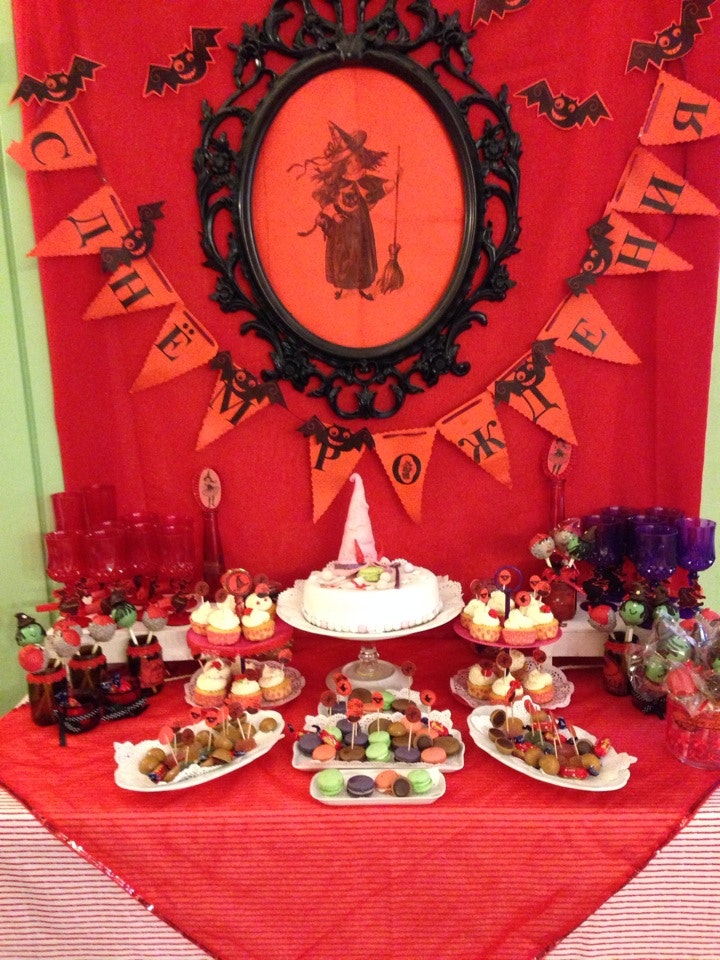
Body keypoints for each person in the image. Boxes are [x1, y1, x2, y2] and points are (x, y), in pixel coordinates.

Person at [298, 123, 395, 301]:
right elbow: (322, 198)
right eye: (349, 162)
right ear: (342, 165)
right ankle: (342, 288)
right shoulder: (336, 183)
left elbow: (380, 188)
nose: (355, 164)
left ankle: (363, 286)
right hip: (341, 228)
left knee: (362, 253)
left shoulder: (365, 178)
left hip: (361, 226)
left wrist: (396, 179)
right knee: (342, 256)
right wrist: (334, 215)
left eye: (357, 159)